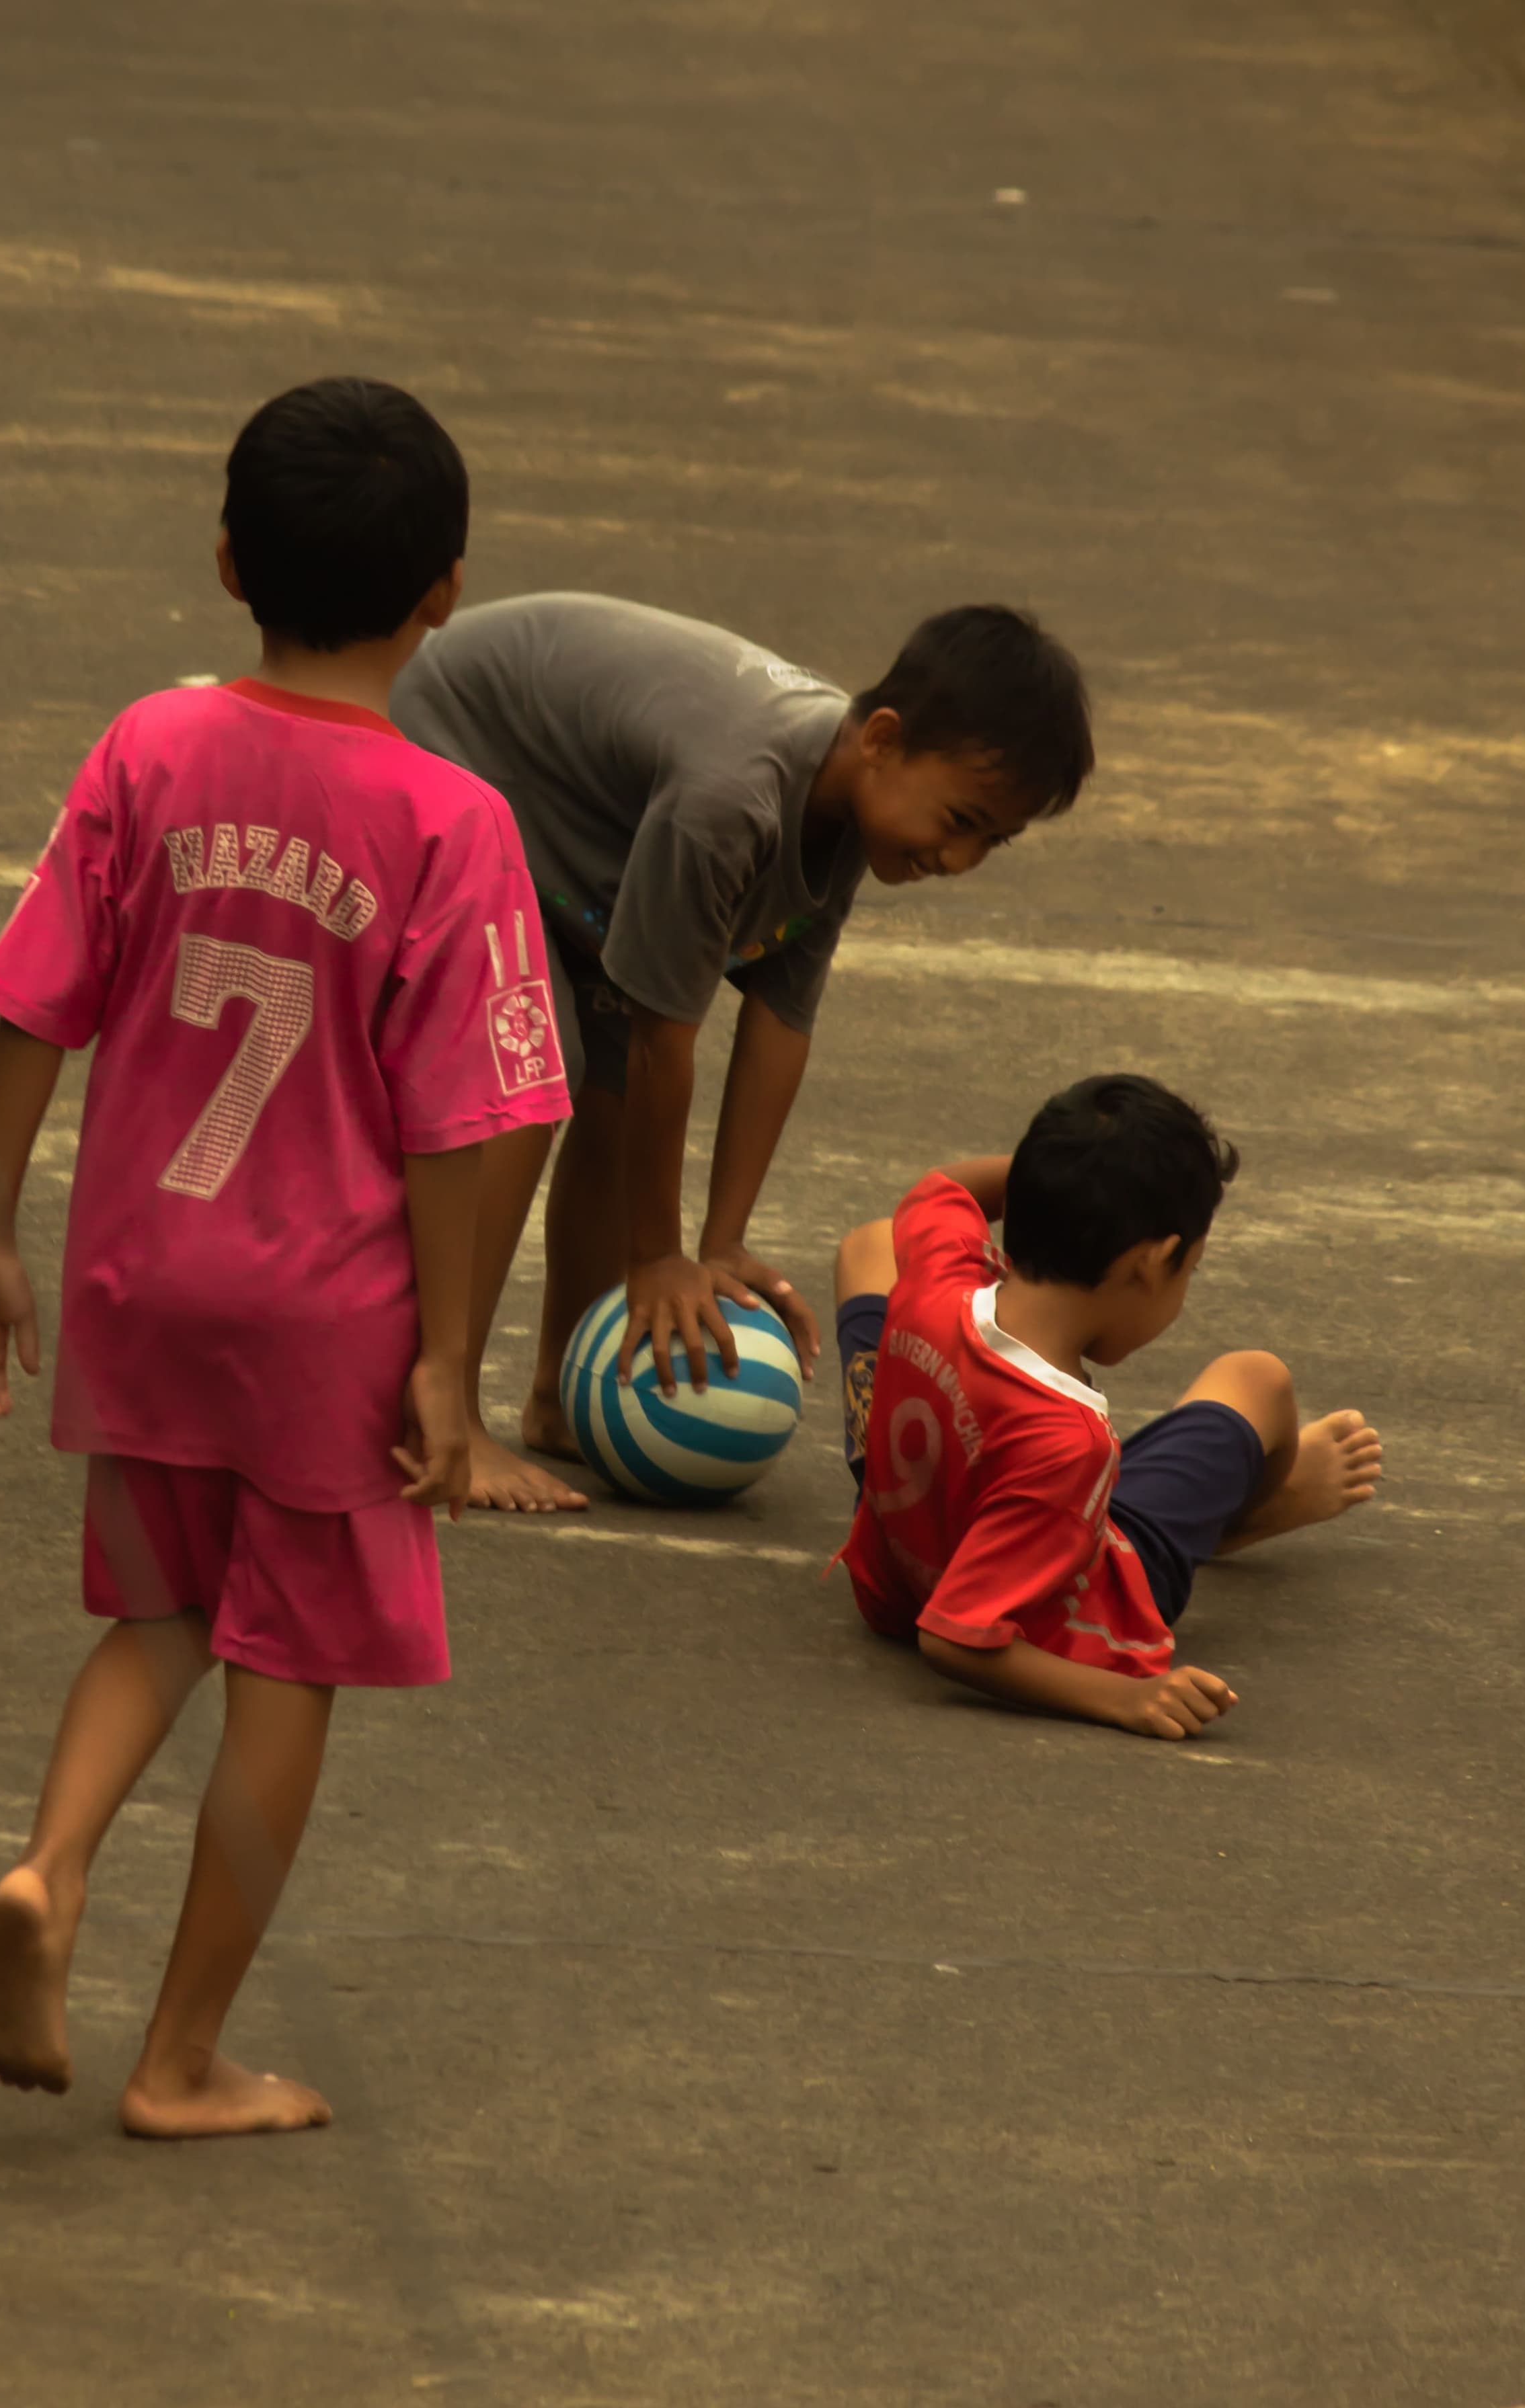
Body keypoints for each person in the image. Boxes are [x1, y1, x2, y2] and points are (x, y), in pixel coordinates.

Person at [0, 380, 569, 2137]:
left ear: (227, 561)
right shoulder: (453, 825)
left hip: (145, 1275)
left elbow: (35, 994)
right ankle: (180, 2058)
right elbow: (475, 1119)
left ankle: (49, 1872)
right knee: (290, 1666)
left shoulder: (149, 746)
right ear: (446, 589)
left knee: (157, 1619)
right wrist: (446, 1360)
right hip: (326, 1322)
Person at [391, 593, 1093, 1513]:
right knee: (537, 1064)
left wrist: (720, 1243)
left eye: (991, 841)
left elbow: (779, 1023)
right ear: (881, 739)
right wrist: (657, 1257)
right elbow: (664, 1041)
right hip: (451, 746)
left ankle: (565, 1392)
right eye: (961, 819)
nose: (961, 860)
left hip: (571, 826)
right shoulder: (729, 800)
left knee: (603, 1093)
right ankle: (438, 1416)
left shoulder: (842, 811)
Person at [833, 1074, 1380, 1738]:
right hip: (1057, 1605)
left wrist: (1058, 1181)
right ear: (1154, 1263)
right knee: (1258, 1379)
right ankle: (1252, 1513)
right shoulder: (1070, 1443)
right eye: (1192, 1270)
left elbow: (941, 1189)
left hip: (897, 1555)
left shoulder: (943, 1273)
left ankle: (1225, 1514)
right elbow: (955, 1640)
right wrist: (1125, 1700)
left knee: (871, 1246)